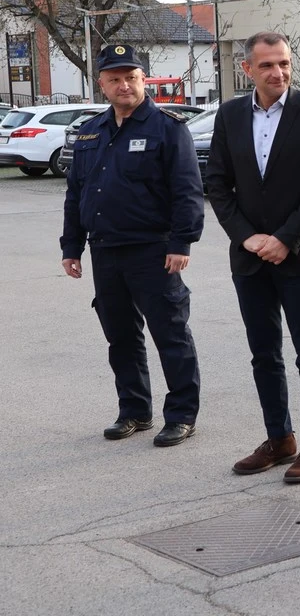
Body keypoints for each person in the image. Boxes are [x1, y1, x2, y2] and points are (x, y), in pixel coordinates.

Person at [205, 32, 300, 484]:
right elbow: (218, 184)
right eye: (266, 65)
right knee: (264, 353)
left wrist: (284, 239)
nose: (278, 73)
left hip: (299, 254)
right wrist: (247, 238)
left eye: (284, 63)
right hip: (250, 258)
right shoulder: (229, 115)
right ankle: (279, 438)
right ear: (247, 70)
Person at [60, 44, 204, 447]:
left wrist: (182, 242)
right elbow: (76, 193)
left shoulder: (167, 128)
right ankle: (135, 410)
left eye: (131, 77)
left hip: (153, 250)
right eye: (115, 79)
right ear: (102, 84)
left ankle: (181, 415)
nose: (124, 85)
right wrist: (71, 247)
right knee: (120, 336)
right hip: (105, 249)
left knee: (170, 334)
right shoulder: (91, 131)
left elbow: (187, 191)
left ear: (143, 80)